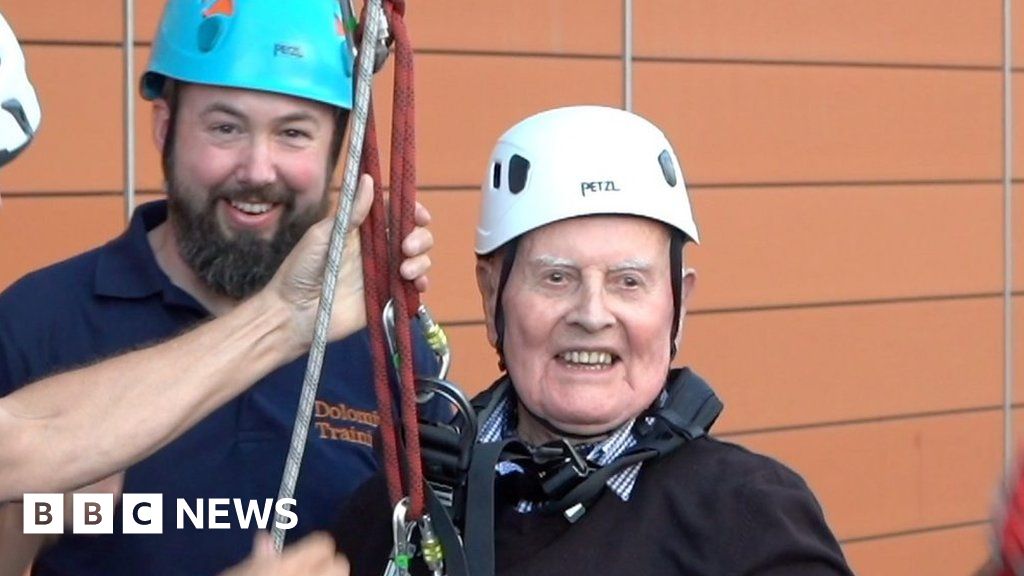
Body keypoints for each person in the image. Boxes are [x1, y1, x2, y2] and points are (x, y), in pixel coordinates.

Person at [0, 1, 438, 574]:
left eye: (294, 133)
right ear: (164, 128)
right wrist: (32, 521)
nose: (258, 168)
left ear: (339, 151)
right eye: (225, 127)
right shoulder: (39, 324)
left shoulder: (390, 347)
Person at [334, 105, 854, 575]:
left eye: (629, 281)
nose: (591, 314)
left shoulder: (750, 523)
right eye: (556, 278)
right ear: (492, 295)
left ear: (679, 306)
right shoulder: (402, 509)